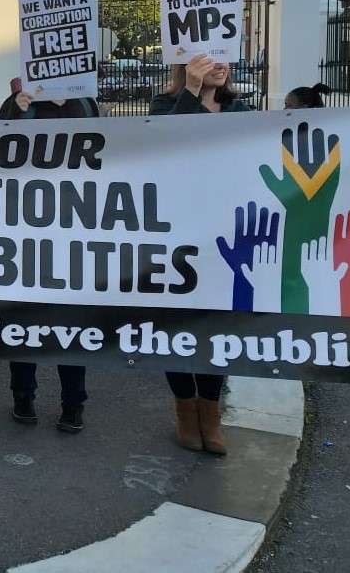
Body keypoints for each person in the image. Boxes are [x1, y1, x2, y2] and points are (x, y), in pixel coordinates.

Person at [149, 53, 249, 455]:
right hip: (176, 235)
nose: (220, 64)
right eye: (209, 57)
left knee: (217, 328)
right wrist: (191, 91)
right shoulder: (163, 105)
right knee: (175, 325)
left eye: (225, 57)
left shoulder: (241, 109)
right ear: (186, 63)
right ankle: (184, 413)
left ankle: (211, 414)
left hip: (226, 236)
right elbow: (169, 142)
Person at [0, 87, 97, 434]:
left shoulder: (84, 102)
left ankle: (74, 403)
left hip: (72, 228)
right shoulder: (20, 101)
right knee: (23, 320)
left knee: (70, 322)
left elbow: (100, 148)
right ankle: (22, 396)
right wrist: (18, 109)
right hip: (25, 228)